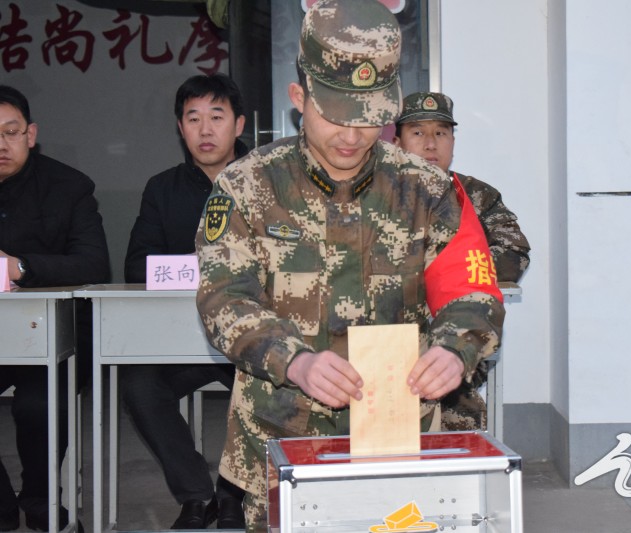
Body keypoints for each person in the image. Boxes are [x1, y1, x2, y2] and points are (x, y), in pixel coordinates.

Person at [193, 0, 505, 530]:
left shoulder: (428, 190)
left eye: (368, 117)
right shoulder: (248, 186)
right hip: (281, 437)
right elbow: (224, 296)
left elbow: (472, 293)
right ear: (299, 98)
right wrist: (295, 361)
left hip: (404, 434)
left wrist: (454, 350)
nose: (352, 135)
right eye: (335, 114)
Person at [122, 74, 247, 530]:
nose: (205, 129)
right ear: (180, 128)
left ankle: (235, 494)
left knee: (260, 384)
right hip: (183, 338)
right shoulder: (162, 188)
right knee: (139, 386)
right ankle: (196, 495)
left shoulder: (269, 182)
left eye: (217, 117)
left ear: (238, 125)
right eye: (194, 119)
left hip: (251, 337)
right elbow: (137, 266)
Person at [0, 85, 110, 532]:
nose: (1, 145)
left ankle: (41, 498)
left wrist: (21, 267)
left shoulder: (68, 187)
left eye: (11, 132)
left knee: (37, 404)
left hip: (56, 335)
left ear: (31, 134)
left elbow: (94, 263)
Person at [394, 91, 531, 431]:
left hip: (452, 342)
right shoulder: (377, 195)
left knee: (461, 437)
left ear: (453, 141)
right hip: (390, 342)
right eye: (418, 132)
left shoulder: (474, 194)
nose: (430, 144)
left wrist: (451, 272)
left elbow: (514, 251)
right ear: (396, 142)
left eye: (441, 133)